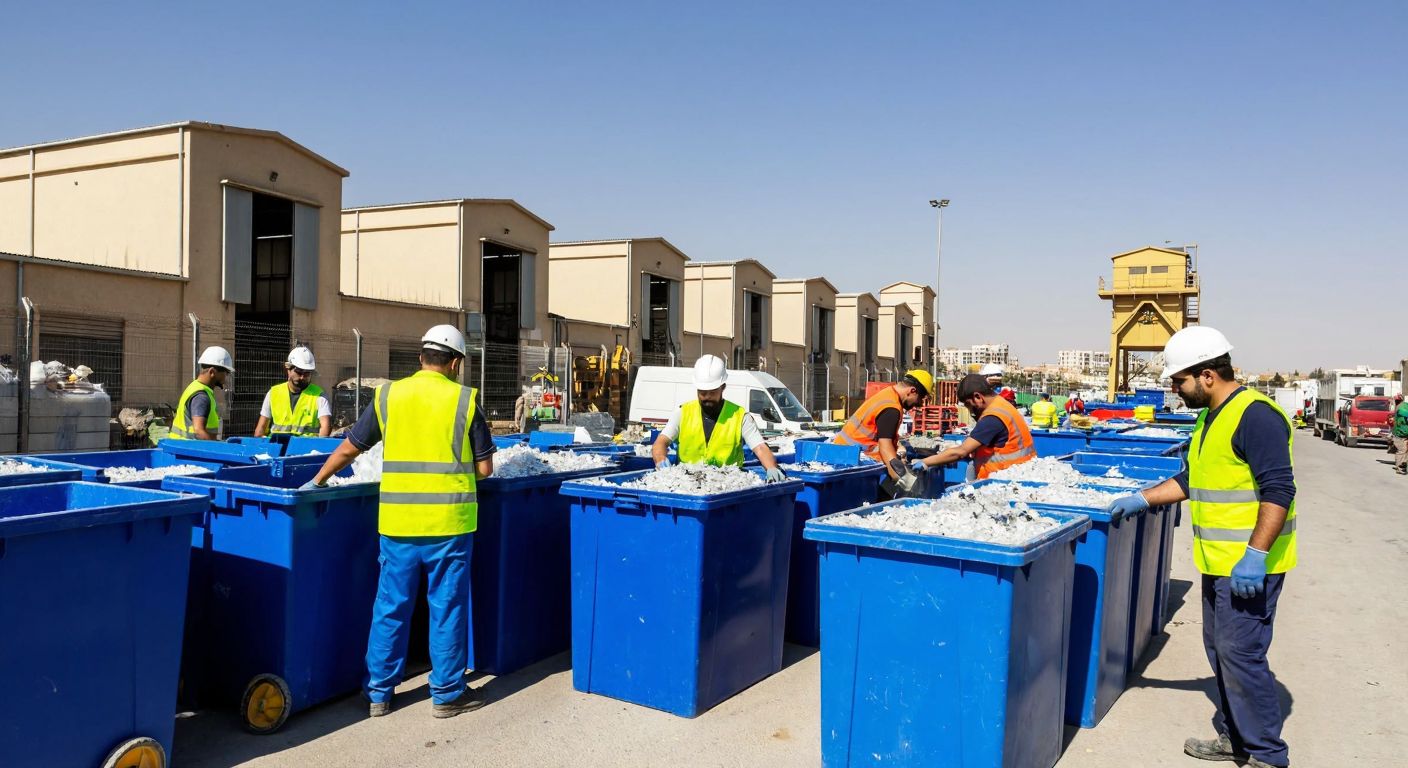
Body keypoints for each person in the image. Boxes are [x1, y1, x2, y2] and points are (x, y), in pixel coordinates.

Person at [1105, 326, 1296, 768]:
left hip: (1249, 566)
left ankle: (1268, 755)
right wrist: (1141, 499)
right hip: (1218, 562)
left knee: (1241, 656)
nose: (1175, 390)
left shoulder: (1256, 415)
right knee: (1220, 651)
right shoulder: (1211, 416)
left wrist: (1256, 556)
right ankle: (1235, 738)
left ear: (1207, 375)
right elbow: (1193, 480)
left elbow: (1279, 490)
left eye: (1179, 381)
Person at [303, 325, 495, 719]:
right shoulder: (465, 400)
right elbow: (486, 468)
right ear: (456, 363)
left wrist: (316, 481)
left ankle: (378, 693)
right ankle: (446, 695)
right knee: (446, 608)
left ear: (421, 358)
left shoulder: (389, 396)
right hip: (449, 525)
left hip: (398, 523)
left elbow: (349, 448)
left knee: (391, 606)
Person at [651, 355, 787, 481]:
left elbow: (760, 448)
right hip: (687, 483)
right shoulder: (682, 413)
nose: (707, 397)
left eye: (712, 392)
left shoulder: (740, 416)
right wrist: (661, 459)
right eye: (703, 393)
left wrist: (771, 468)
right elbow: (660, 443)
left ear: (723, 388)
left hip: (727, 485)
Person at [912, 373, 1036, 480]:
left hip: (1002, 479)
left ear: (977, 397)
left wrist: (925, 462)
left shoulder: (992, 418)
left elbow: (960, 452)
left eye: (968, 404)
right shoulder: (1002, 405)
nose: (969, 410)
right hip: (1017, 474)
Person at [832, 368, 934, 485]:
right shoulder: (891, 408)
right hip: (853, 459)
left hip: (843, 452)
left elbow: (885, 435)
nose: (919, 404)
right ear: (912, 390)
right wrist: (903, 481)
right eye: (920, 398)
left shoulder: (888, 394)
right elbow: (885, 447)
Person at [253, 346, 332, 438]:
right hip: (277, 448)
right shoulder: (273, 393)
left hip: (306, 450)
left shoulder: (320, 396)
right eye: (299, 372)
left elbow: (325, 428)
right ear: (288, 370)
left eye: (307, 373)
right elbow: (260, 429)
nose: (302, 377)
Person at [170, 346, 233, 440]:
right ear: (212, 372)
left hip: (182, 448)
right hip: (189, 451)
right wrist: (218, 448)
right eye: (225, 373)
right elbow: (199, 432)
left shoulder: (195, 387)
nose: (226, 377)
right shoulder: (201, 396)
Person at [1392, 393, 1407, 475]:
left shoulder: (1399, 407)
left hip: (1401, 433)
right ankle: (1400, 467)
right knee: (1402, 450)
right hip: (1400, 433)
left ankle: (1402, 466)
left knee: (1402, 450)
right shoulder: (1402, 407)